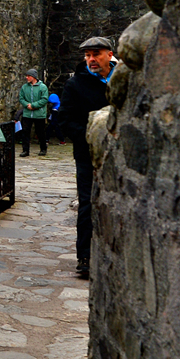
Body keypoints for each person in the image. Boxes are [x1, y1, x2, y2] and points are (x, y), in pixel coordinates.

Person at [57, 36, 116, 279]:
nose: (91, 59)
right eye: (88, 55)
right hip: (88, 154)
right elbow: (65, 120)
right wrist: (92, 136)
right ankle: (86, 256)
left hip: (124, 154)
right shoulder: (76, 84)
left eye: (96, 54)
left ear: (109, 54)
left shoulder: (126, 78)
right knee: (88, 202)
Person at [18, 69, 49, 156]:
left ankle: (43, 149)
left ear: (33, 77)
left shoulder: (42, 87)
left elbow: (44, 99)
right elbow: (21, 98)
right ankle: (25, 150)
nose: (27, 77)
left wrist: (34, 105)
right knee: (25, 132)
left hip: (39, 114)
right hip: (27, 114)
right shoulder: (24, 87)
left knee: (40, 132)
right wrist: (27, 105)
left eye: (28, 76)